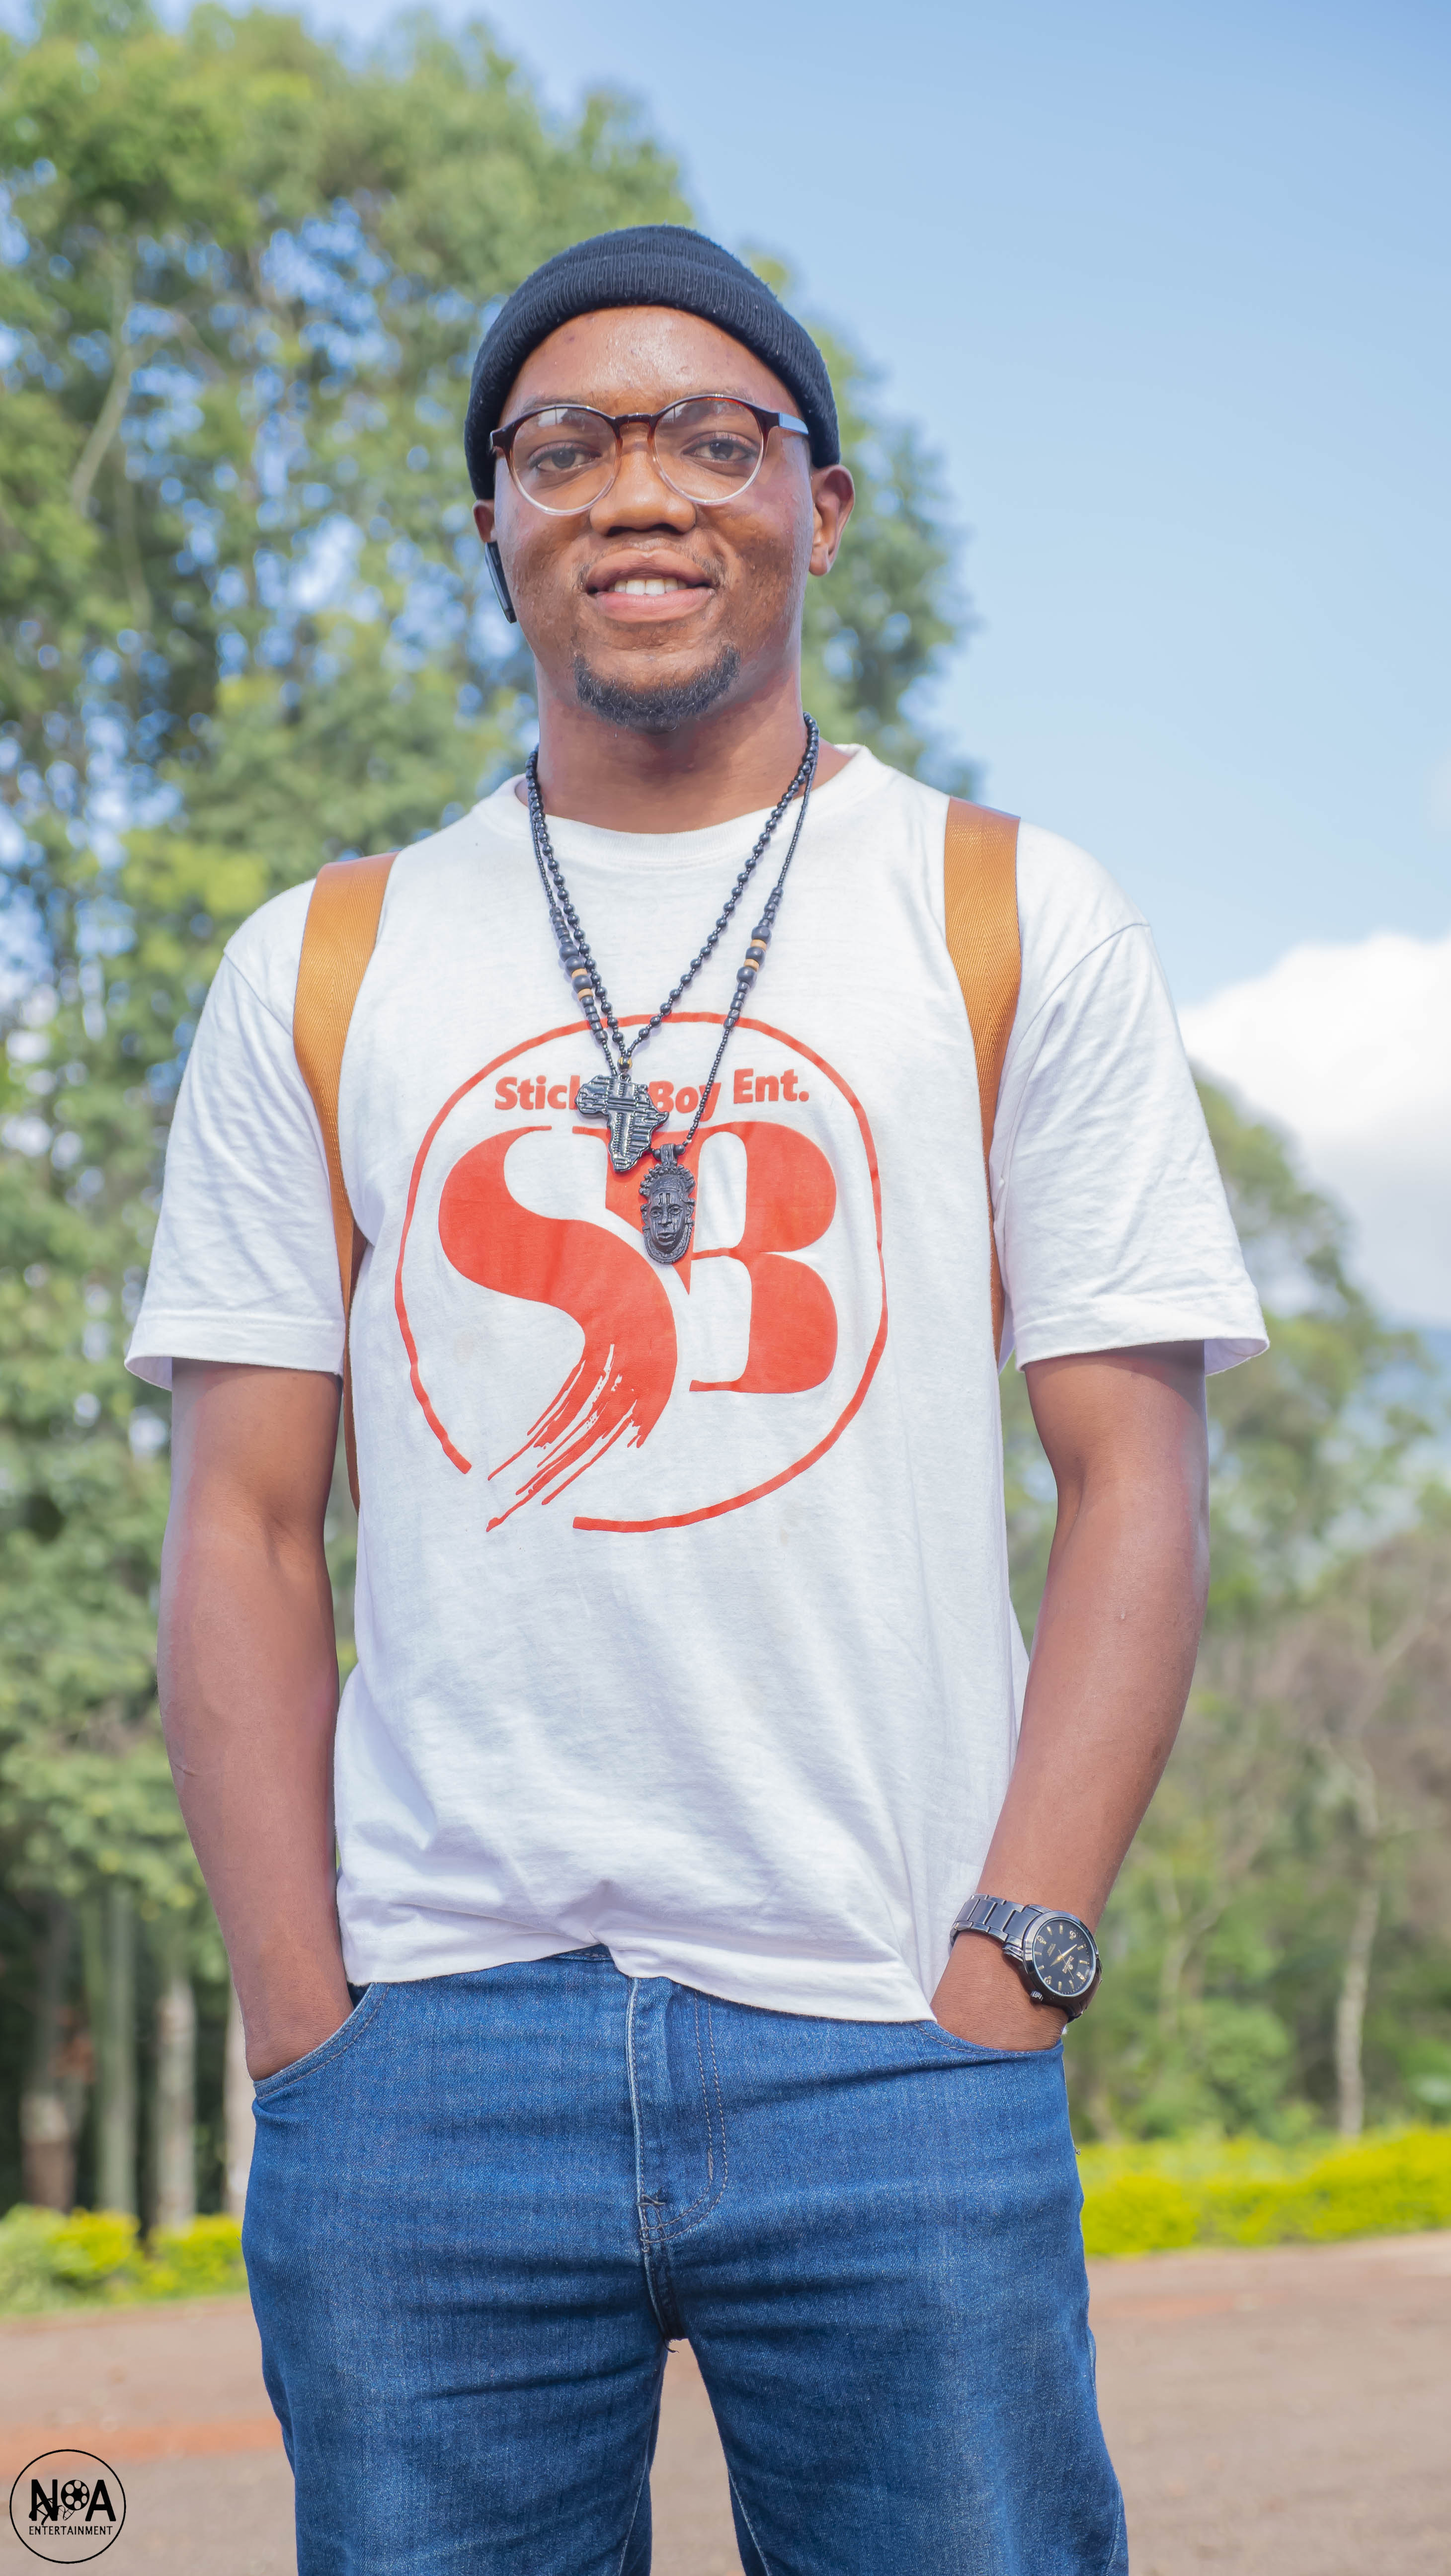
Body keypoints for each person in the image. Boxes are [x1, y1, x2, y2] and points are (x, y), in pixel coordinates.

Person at [131, 225, 1266, 2574]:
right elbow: (239, 1521)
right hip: (430, 2054)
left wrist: (1016, 1964)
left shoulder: (1007, 912)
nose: (637, 487)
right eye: (564, 445)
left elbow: (1130, 1474)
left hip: (891, 2037)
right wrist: (303, 2023)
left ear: (817, 508)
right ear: (493, 521)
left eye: (711, 437)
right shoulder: (323, 959)